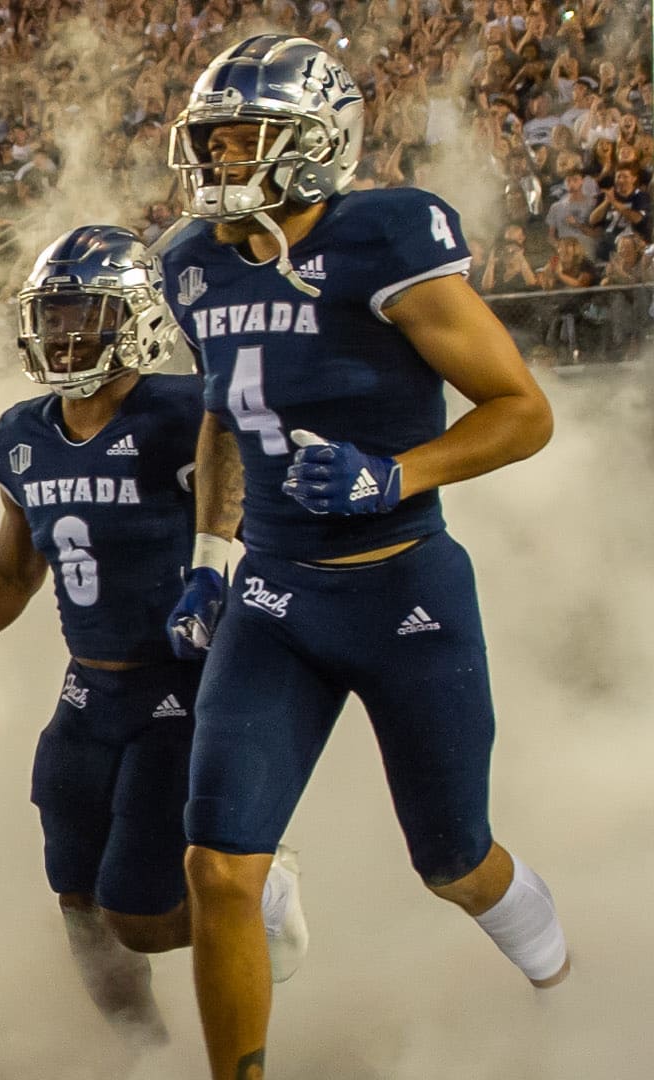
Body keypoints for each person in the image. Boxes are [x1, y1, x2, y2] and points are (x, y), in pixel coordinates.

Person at [161, 35, 566, 1080]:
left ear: (314, 144)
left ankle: (565, 982)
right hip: (276, 600)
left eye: (245, 137)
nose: (220, 160)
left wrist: (400, 473)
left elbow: (524, 413)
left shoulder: (384, 237)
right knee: (215, 870)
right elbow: (220, 419)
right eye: (212, 139)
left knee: (454, 860)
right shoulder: (192, 261)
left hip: (402, 591)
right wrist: (210, 554)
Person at [0, 225, 305, 1048]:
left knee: (139, 915)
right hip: (88, 692)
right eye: (52, 315)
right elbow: (14, 574)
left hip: (179, 687)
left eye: (85, 314)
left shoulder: (189, 413)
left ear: (139, 320)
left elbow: (272, 522)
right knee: (76, 902)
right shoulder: (21, 435)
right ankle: (142, 1055)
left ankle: (252, 892)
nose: (64, 333)